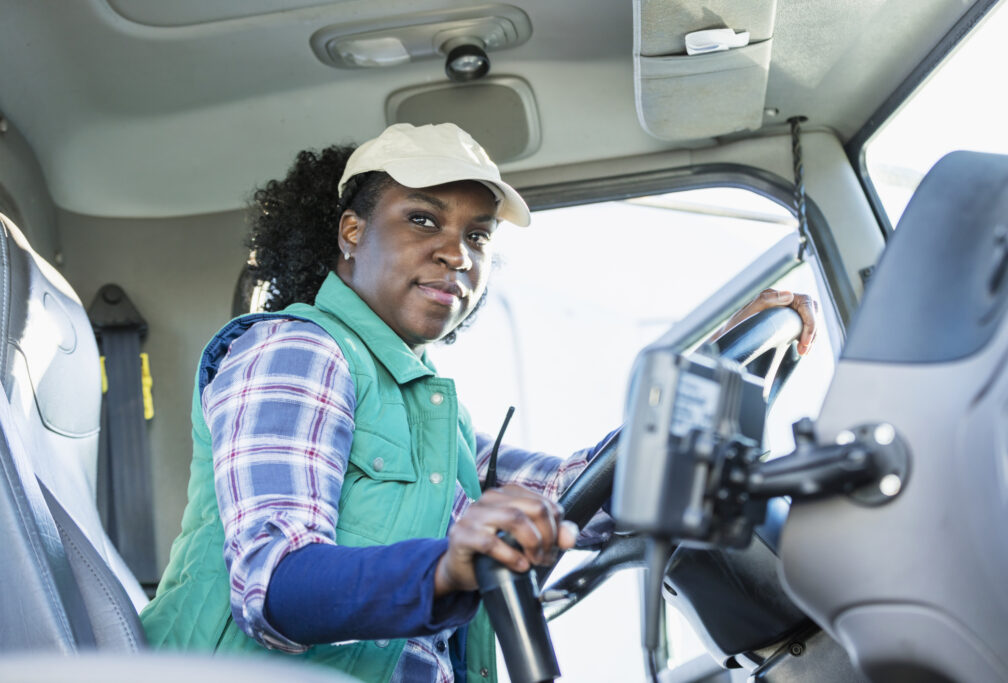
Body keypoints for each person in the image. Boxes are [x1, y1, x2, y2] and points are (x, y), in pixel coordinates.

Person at [139, 122, 817, 682]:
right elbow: (273, 584)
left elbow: (583, 487)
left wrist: (708, 371)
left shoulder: (437, 415)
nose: (457, 254)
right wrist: (442, 566)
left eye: (478, 235)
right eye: (423, 220)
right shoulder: (298, 351)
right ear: (351, 232)